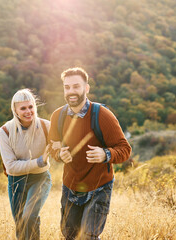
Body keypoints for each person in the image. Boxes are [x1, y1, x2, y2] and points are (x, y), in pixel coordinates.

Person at [48, 67, 132, 239]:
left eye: (76, 86)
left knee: (88, 236)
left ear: (86, 88)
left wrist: (105, 154)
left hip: (99, 186)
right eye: (67, 87)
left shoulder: (102, 115)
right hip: (70, 186)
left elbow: (125, 149)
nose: (71, 91)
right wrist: (58, 154)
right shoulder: (58, 116)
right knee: (69, 235)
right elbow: (52, 147)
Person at [0, 89, 52, 240]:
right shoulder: (5, 131)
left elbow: (60, 151)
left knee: (29, 215)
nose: (28, 111)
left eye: (31, 107)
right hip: (16, 181)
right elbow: (11, 167)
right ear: (15, 110)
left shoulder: (47, 126)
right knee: (21, 225)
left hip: (40, 178)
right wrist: (39, 161)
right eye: (23, 108)